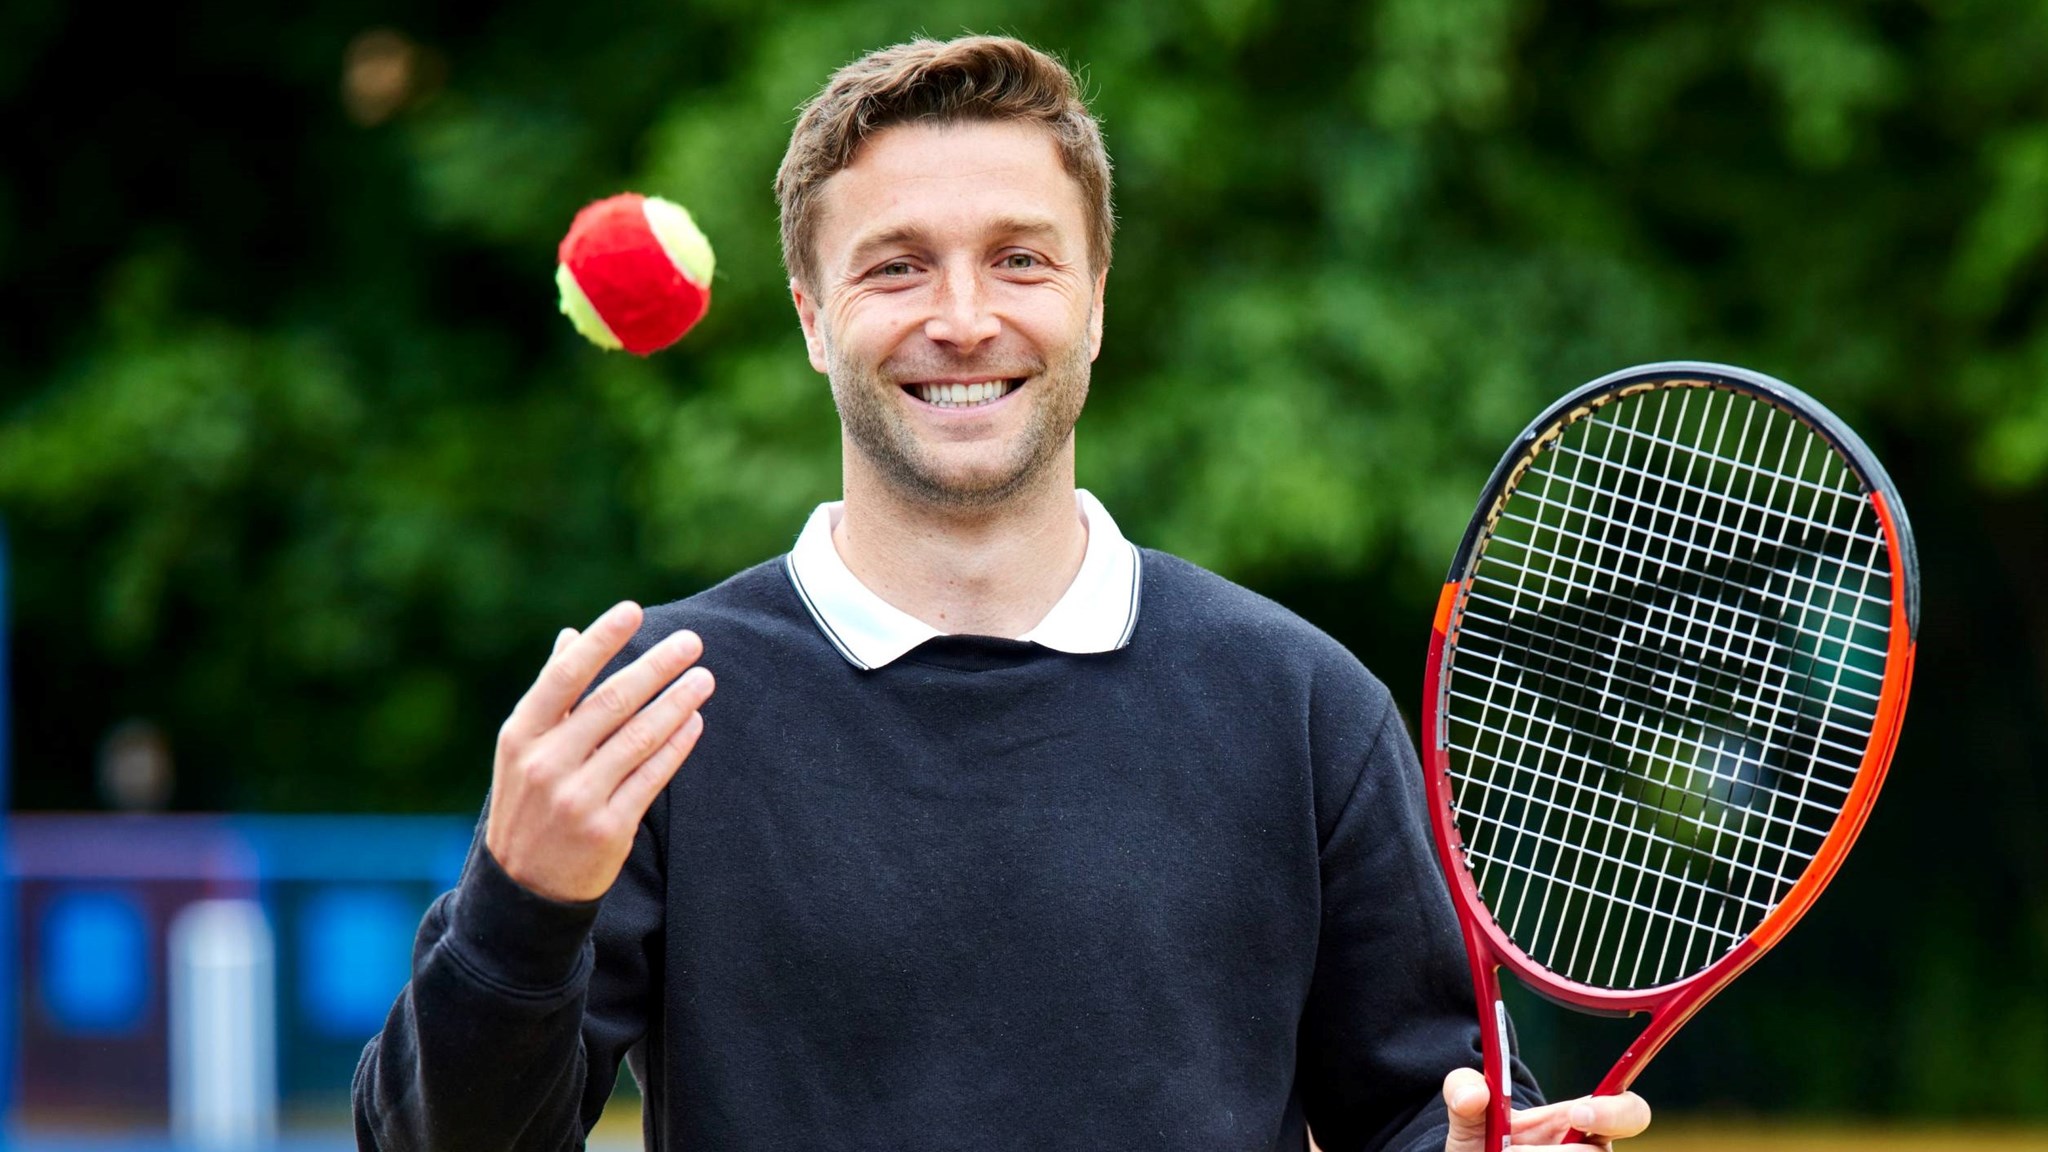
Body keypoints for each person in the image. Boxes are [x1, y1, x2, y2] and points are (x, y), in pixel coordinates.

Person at [352, 34, 1652, 1152]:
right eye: (896, 265)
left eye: (1021, 260)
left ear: (1095, 301)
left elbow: (1424, 1117)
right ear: (812, 315)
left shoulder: (1300, 705)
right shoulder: (662, 711)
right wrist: (519, 906)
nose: (963, 317)